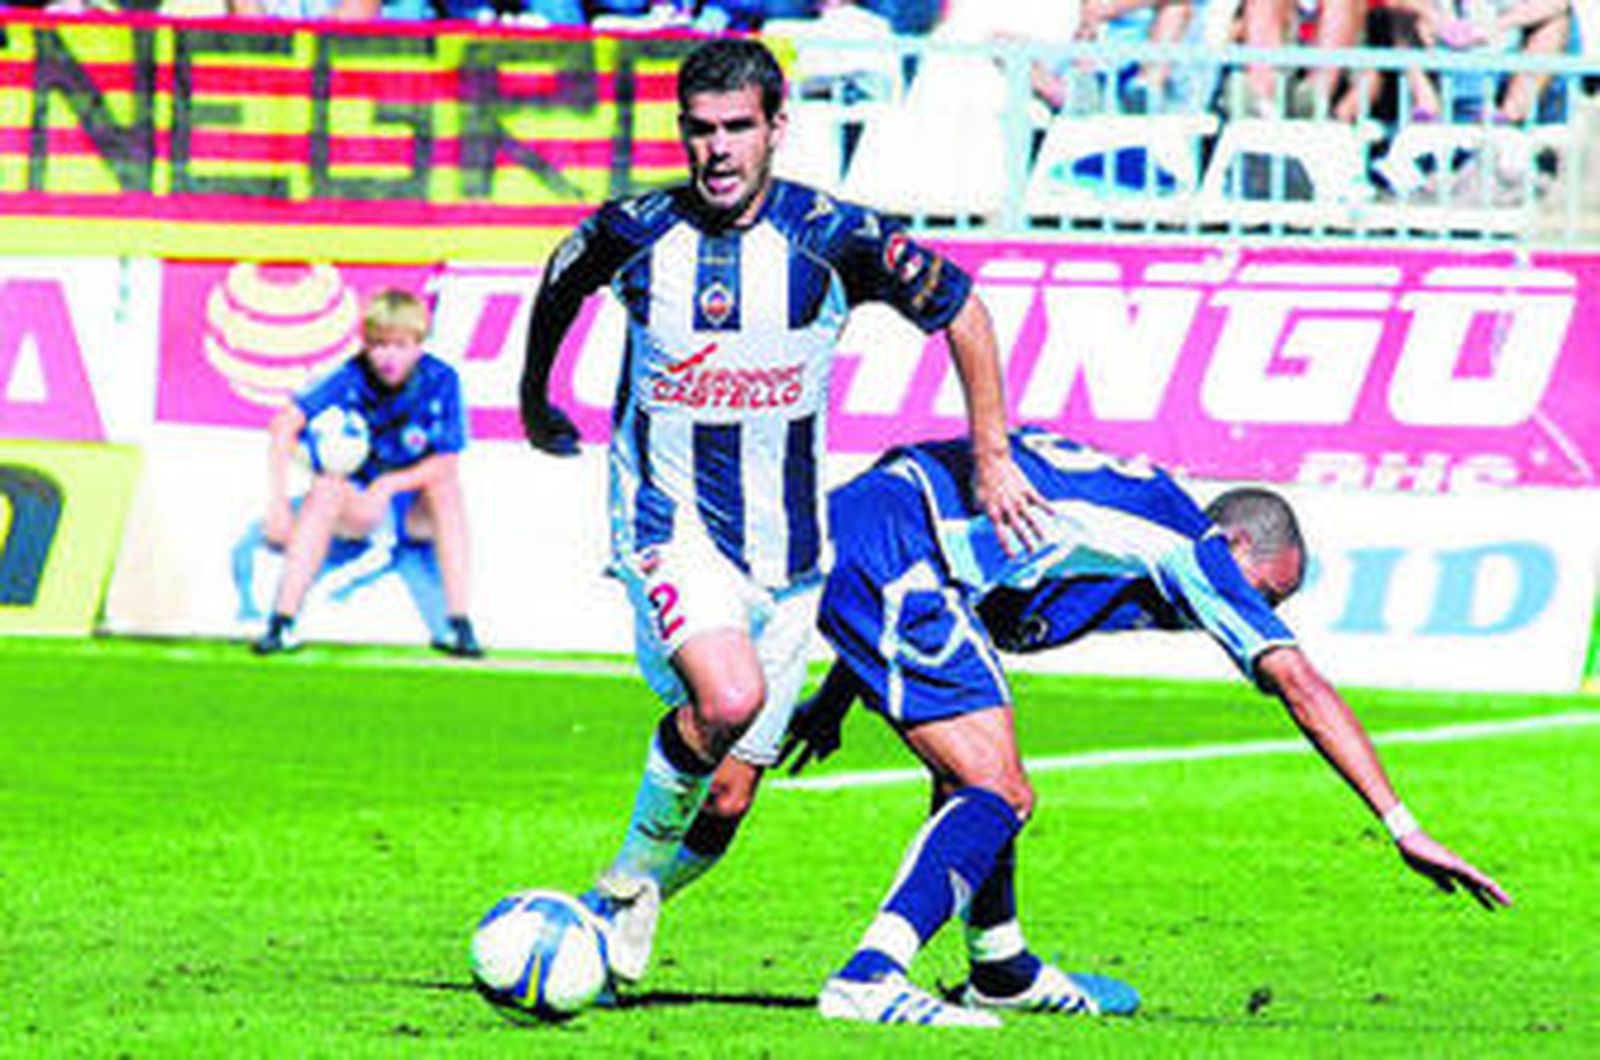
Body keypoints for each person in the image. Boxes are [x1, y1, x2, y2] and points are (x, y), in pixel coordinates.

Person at [518, 37, 1044, 988]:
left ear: (775, 128)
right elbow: (563, 274)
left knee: (725, 798)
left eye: (736, 129)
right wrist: (532, 395)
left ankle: (623, 909)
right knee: (728, 699)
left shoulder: (833, 236)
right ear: (681, 133)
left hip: (791, 553)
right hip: (667, 523)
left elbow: (963, 310)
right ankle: (624, 880)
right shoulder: (637, 231)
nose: (716, 149)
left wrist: (993, 455)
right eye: (699, 130)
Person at [732, 428, 1511, 1026]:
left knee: (973, 768)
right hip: (889, 528)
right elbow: (1299, 683)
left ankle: (999, 963)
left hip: (885, 528)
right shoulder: (1190, 546)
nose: (1257, 616)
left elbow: (954, 587)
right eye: (1264, 595)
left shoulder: (1099, 554)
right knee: (997, 785)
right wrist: (1401, 824)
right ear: (1235, 545)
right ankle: (872, 974)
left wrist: (836, 701)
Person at [254, 288, 483, 658]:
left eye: (400, 345)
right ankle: (282, 621)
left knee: (447, 489)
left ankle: (458, 622)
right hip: (360, 508)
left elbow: (447, 461)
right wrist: (278, 503)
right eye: (379, 345)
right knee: (326, 488)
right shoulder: (350, 376)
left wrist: (389, 485)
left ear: (419, 344)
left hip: (410, 508)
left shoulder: (441, 379)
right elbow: (284, 425)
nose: (388, 357)